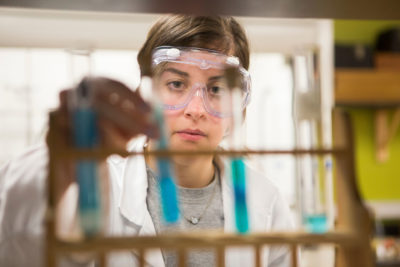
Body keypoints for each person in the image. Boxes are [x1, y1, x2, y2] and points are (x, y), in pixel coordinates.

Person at [0, 14, 293, 267]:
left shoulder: (264, 200)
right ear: (146, 92)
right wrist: (63, 158)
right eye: (177, 84)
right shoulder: (102, 186)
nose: (196, 109)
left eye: (216, 89)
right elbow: (25, 249)